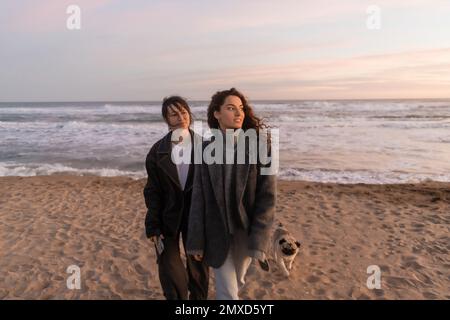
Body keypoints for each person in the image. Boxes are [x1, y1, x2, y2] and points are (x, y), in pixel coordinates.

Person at [186, 88, 276, 300]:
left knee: (238, 282)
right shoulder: (204, 149)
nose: (238, 113)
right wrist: (196, 240)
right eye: (230, 108)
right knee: (227, 292)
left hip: (245, 232)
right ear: (217, 113)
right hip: (216, 233)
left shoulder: (259, 146)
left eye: (241, 109)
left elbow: (267, 197)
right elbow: (198, 198)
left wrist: (260, 238)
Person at [144, 96, 209, 300]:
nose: (180, 117)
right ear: (167, 120)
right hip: (167, 217)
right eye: (174, 114)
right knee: (170, 269)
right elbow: (152, 191)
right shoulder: (157, 152)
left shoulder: (207, 148)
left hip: (196, 217)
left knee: (198, 271)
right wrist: (153, 225)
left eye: (183, 111)